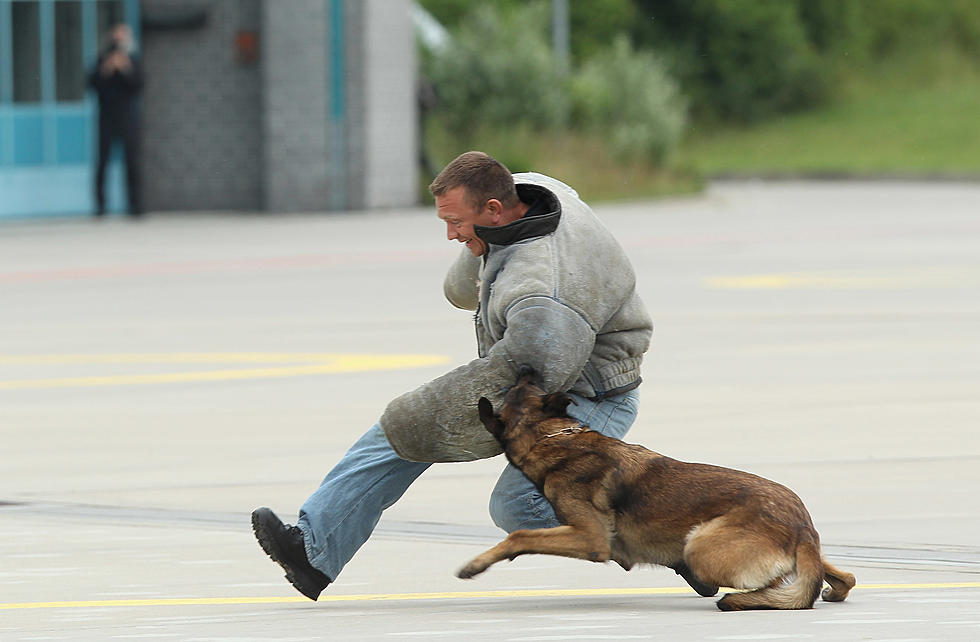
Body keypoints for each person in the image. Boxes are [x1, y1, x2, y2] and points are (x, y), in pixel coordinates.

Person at [251, 151, 653, 600]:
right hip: (546, 366)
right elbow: (462, 292)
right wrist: (479, 245)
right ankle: (313, 550)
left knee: (510, 501)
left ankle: (670, 543)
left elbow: (533, 380)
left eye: (455, 223)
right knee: (399, 434)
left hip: (584, 394)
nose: (449, 234)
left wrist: (427, 416)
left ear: (494, 211)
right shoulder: (529, 188)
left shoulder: (542, 294)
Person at [88, 23, 144, 218]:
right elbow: (92, 84)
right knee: (102, 162)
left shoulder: (133, 61)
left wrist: (125, 68)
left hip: (128, 117)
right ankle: (100, 207)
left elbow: (138, 85)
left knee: (132, 162)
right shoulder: (102, 60)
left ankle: (135, 206)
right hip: (107, 117)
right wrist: (107, 69)